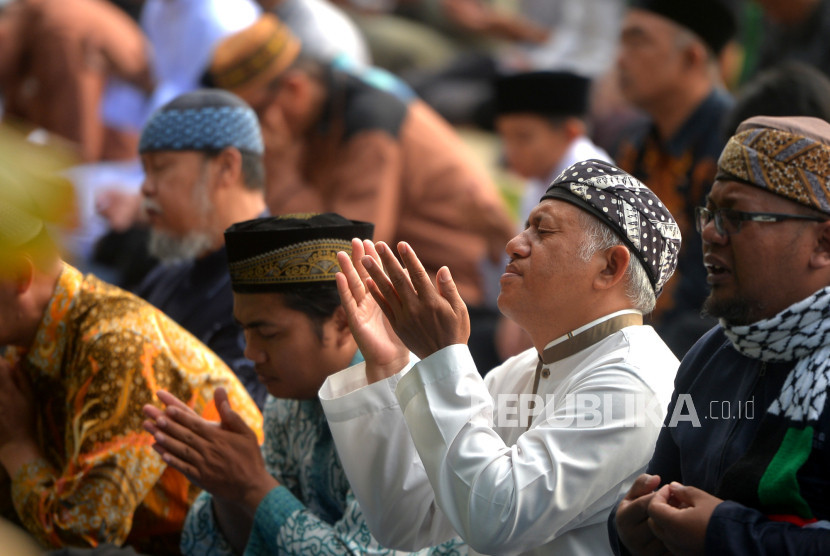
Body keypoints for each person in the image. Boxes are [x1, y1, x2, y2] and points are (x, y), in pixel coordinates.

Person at [320, 159, 682, 554]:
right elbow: (409, 521)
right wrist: (390, 365)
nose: (514, 243)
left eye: (542, 230)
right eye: (526, 226)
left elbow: (496, 519)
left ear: (610, 266)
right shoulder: (521, 371)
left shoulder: (635, 383)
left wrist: (443, 356)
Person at [0, 132, 263, 554]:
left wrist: (17, 447)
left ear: (18, 278)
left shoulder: (118, 344)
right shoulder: (24, 336)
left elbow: (86, 532)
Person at [206, 14, 516, 370]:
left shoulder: (368, 123)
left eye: (255, 114)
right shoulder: (320, 115)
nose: (254, 131)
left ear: (294, 88)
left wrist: (278, 169)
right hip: (398, 286)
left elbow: (338, 257)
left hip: (452, 298)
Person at [141, 213, 464, 555]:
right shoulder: (288, 401)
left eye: (268, 333)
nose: (250, 352)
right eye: (244, 330)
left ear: (343, 322)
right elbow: (264, 534)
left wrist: (252, 486)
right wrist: (228, 486)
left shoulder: (407, 402)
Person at [609, 115, 830, 555]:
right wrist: (632, 533)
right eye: (711, 213)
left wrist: (723, 534)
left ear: (823, 243)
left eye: (736, 217)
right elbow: (664, 484)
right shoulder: (713, 352)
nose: (709, 233)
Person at [615, 0, 736, 357]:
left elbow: (718, 297)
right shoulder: (635, 146)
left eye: (638, 42)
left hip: (703, 344)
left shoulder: (735, 148)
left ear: (692, 57)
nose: (621, 59)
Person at [135, 89, 269, 408]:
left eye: (161, 167)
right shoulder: (170, 275)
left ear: (226, 167)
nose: (146, 187)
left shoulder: (275, 284)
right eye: (145, 170)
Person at [492, 70, 612, 359]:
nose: (510, 152)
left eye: (523, 137)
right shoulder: (538, 179)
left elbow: (572, 273)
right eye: (505, 138)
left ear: (570, 132)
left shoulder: (588, 177)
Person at [0, 0, 152, 162]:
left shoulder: (60, 33)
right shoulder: (25, 30)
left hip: (124, 159)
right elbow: (14, 125)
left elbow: (77, 146)